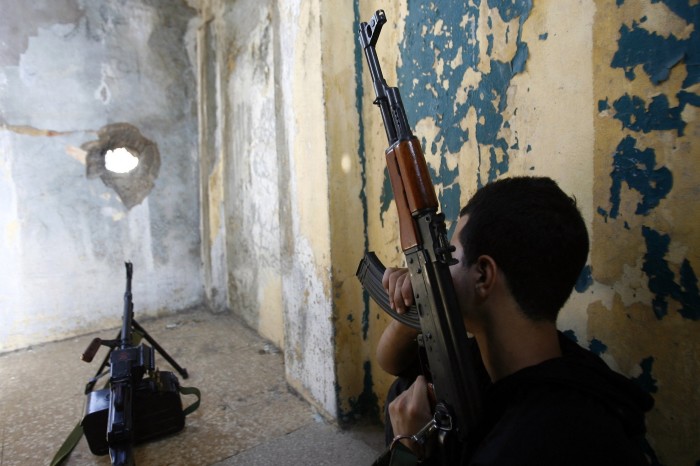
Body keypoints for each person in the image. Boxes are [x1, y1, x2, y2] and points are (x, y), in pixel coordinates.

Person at [374, 176, 654, 465]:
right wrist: (418, 303)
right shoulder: (537, 365)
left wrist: (408, 449)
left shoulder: (528, 442)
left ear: (483, 274)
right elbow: (394, 365)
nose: (440, 268)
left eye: (450, 254)